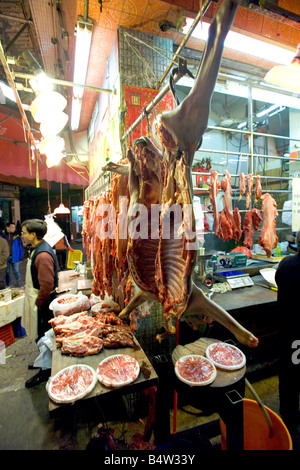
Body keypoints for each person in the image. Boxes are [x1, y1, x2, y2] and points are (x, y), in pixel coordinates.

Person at [21, 219, 58, 387]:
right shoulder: (37, 249)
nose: (22, 236)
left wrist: (38, 303)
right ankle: (41, 362)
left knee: (44, 337)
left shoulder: (42, 255)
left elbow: (47, 284)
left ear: (33, 235)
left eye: (24, 233)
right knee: (40, 335)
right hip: (37, 298)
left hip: (42, 301)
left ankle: (45, 371)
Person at [275, 230, 300, 433]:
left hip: (290, 333)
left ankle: (288, 419)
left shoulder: (286, 265)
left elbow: (279, 281)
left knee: (290, 375)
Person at [5, 222, 24, 287]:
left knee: (16, 272)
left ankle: (20, 285)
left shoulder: (16, 237)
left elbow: (20, 247)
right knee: (7, 272)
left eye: (14, 227)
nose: (13, 229)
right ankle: (9, 285)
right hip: (6, 256)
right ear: (7, 228)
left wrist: (21, 256)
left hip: (15, 256)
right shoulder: (4, 237)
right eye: (12, 227)